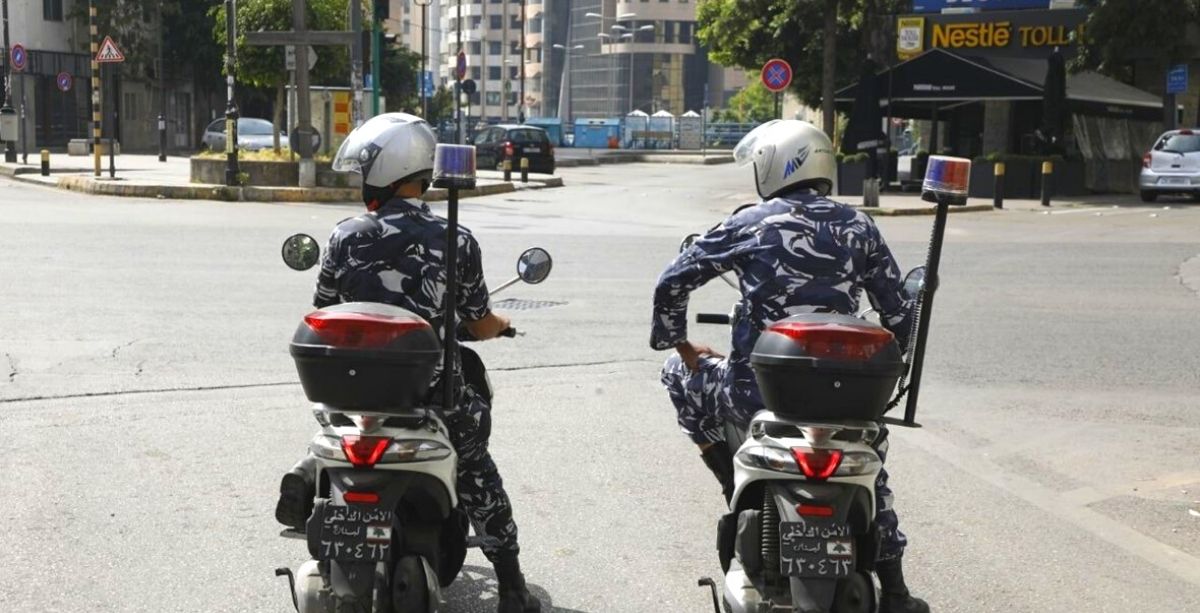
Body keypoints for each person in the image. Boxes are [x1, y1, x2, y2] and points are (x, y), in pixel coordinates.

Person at [651, 120, 929, 613]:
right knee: (872, 469)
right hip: (846, 395)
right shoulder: (858, 225)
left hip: (757, 393)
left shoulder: (751, 222)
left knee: (676, 375)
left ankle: (732, 480)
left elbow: (672, 282)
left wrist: (685, 348)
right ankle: (897, 588)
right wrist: (893, 367)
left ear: (776, 164)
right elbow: (898, 313)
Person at [275, 113, 540, 613]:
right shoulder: (455, 239)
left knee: (334, 426)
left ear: (382, 171)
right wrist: (499, 325)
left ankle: (309, 469)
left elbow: (325, 309)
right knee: (476, 466)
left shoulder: (344, 236)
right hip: (431, 395)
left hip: (352, 390)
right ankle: (511, 586)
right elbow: (477, 322)